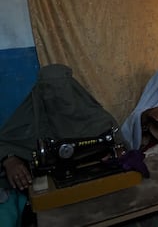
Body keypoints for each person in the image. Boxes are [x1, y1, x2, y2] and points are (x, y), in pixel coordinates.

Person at [0, 64, 121, 226]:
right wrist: (9, 159)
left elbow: (119, 143)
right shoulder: (29, 117)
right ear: (39, 92)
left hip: (93, 190)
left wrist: (115, 153)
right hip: (50, 193)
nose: (56, 97)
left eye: (62, 89)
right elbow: (4, 141)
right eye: (48, 90)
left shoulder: (97, 117)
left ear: (72, 88)